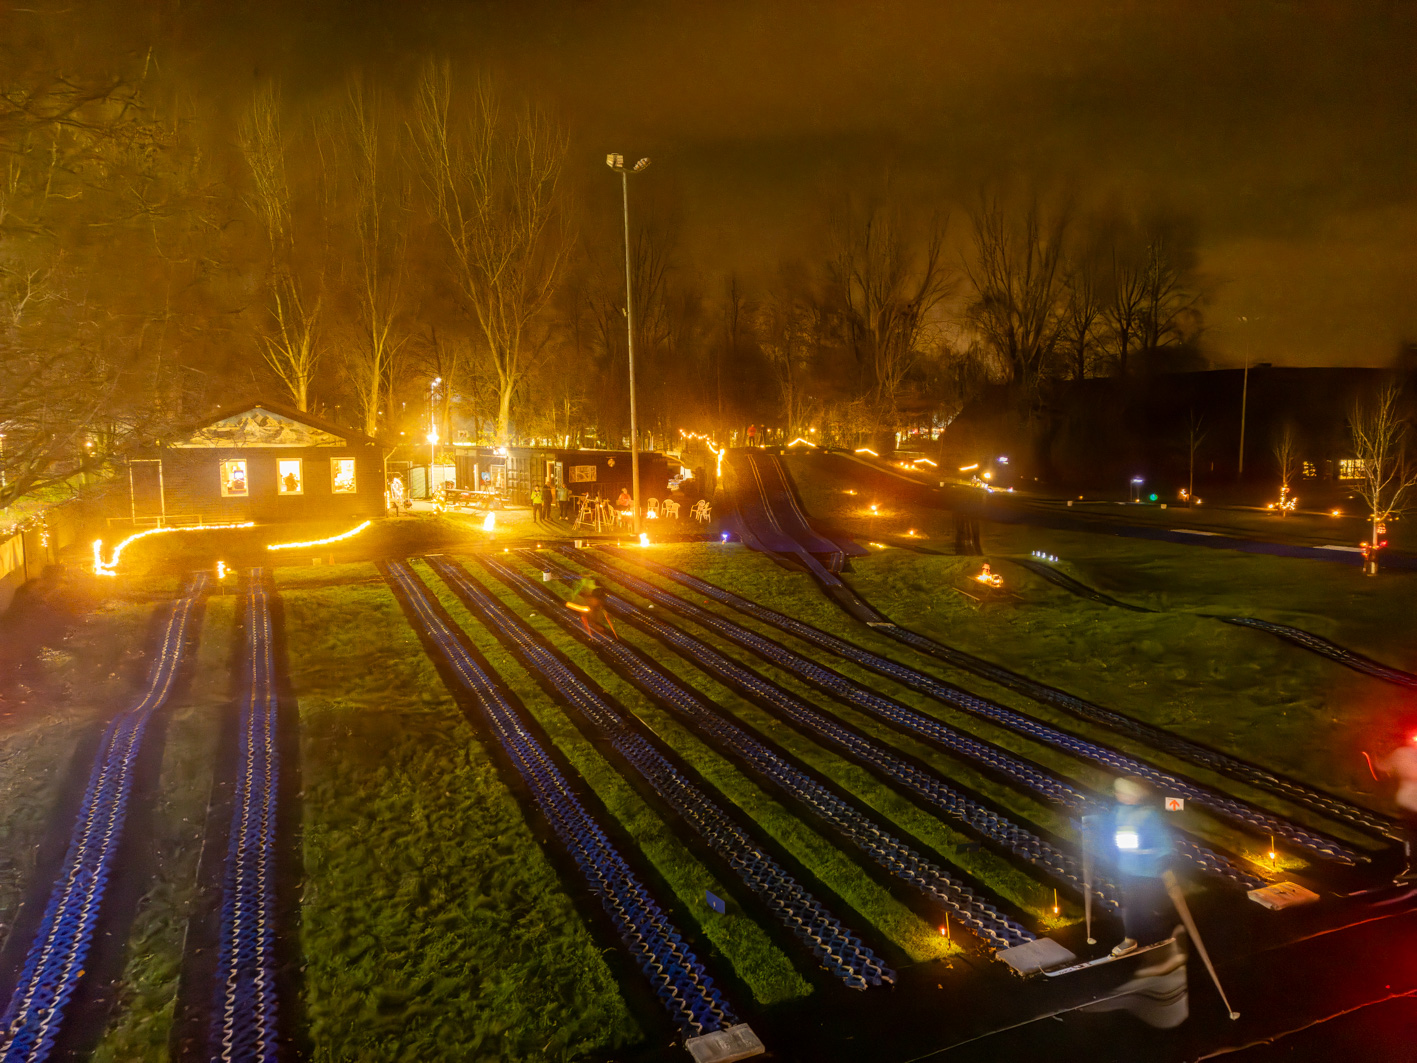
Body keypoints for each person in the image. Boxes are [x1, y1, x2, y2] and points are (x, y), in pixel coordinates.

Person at [1105, 776, 1174, 956]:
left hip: (1148, 870)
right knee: (1131, 904)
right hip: (1127, 868)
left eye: (1123, 792)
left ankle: (1159, 924)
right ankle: (1130, 939)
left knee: (1152, 900)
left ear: (1134, 795)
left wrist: (1164, 856)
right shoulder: (1119, 811)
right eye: (1118, 792)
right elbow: (1111, 830)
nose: (1118, 795)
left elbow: (1162, 838)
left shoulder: (1149, 814)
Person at [1378, 734, 1417, 879]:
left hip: (1410, 804)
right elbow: (1383, 768)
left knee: (1412, 835)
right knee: (1412, 835)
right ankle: (1413, 869)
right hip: (1410, 804)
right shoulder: (1404, 754)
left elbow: (1383, 767)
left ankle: (1414, 869)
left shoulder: (1402, 754)